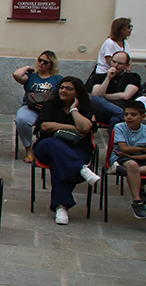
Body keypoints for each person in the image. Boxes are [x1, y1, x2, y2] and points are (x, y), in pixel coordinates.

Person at [32, 77, 100, 226]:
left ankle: (61, 207)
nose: (63, 91)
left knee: (60, 162)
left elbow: (86, 127)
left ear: (78, 92)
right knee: (53, 142)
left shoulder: (87, 108)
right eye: (62, 87)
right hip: (46, 147)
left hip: (78, 148)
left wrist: (74, 110)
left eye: (68, 88)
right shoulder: (50, 105)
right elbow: (44, 126)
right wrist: (72, 128)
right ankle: (81, 169)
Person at [13, 51, 62, 163]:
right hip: (30, 107)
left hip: (49, 109)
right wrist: (27, 67)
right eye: (40, 60)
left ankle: (50, 150)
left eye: (45, 62)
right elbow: (16, 75)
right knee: (22, 120)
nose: (41, 63)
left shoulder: (57, 79)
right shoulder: (31, 77)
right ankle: (29, 150)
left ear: (51, 65)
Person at [110, 101, 146, 219]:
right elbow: (124, 148)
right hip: (121, 157)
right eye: (126, 114)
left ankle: (126, 172)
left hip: (138, 159)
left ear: (143, 117)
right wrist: (141, 148)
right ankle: (137, 201)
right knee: (131, 165)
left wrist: (132, 156)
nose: (129, 117)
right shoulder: (119, 127)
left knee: (134, 167)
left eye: (133, 115)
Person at [89, 51, 141, 128]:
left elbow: (126, 96)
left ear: (127, 65)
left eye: (120, 63)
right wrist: (108, 78)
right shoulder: (100, 77)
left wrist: (104, 96)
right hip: (105, 111)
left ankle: (122, 115)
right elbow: (96, 95)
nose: (116, 65)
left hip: (122, 107)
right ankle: (124, 115)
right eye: (114, 62)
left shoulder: (133, 77)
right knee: (96, 99)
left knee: (115, 120)